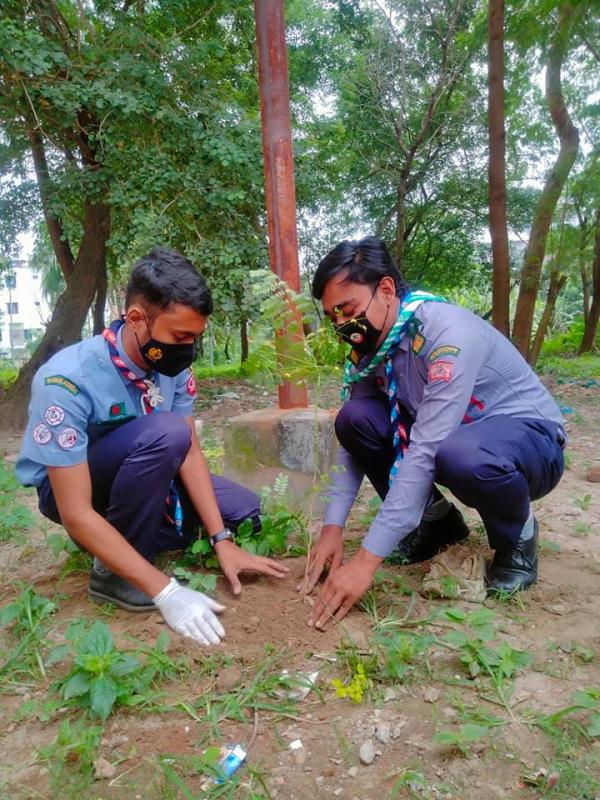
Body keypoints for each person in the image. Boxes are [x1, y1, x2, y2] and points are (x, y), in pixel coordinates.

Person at [16, 247, 289, 646]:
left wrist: (221, 541)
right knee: (167, 431)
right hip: (74, 491)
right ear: (136, 319)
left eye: (195, 337)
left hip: (147, 470)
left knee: (243, 513)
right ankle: (115, 573)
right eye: (180, 337)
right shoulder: (67, 380)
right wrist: (167, 592)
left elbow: (189, 451)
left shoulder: (171, 368)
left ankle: (119, 539)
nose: (188, 349)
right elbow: (74, 511)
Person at [298, 237, 566, 629]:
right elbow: (352, 442)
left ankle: (517, 539)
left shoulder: (447, 335)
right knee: (354, 417)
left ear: (385, 289)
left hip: (530, 443)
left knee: (460, 455)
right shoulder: (375, 348)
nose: (342, 325)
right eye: (332, 316)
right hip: (454, 440)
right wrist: (332, 527)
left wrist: (365, 563)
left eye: (348, 310)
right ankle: (436, 524)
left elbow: (425, 449)